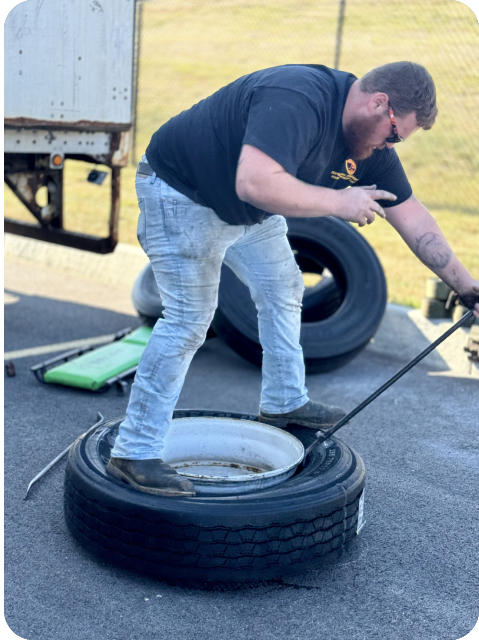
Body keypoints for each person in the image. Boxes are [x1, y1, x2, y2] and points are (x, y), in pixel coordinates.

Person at [110, 61, 479, 497]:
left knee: (284, 288)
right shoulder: (299, 98)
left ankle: (285, 402)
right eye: (396, 134)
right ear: (379, 104)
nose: (392, 145)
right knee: (191, 317)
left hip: (245, 212)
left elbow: (416, 221)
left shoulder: (370, 151)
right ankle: (133, 452)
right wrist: (339, 203)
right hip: (181, 191)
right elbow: (254, 182)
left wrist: (466, 286)